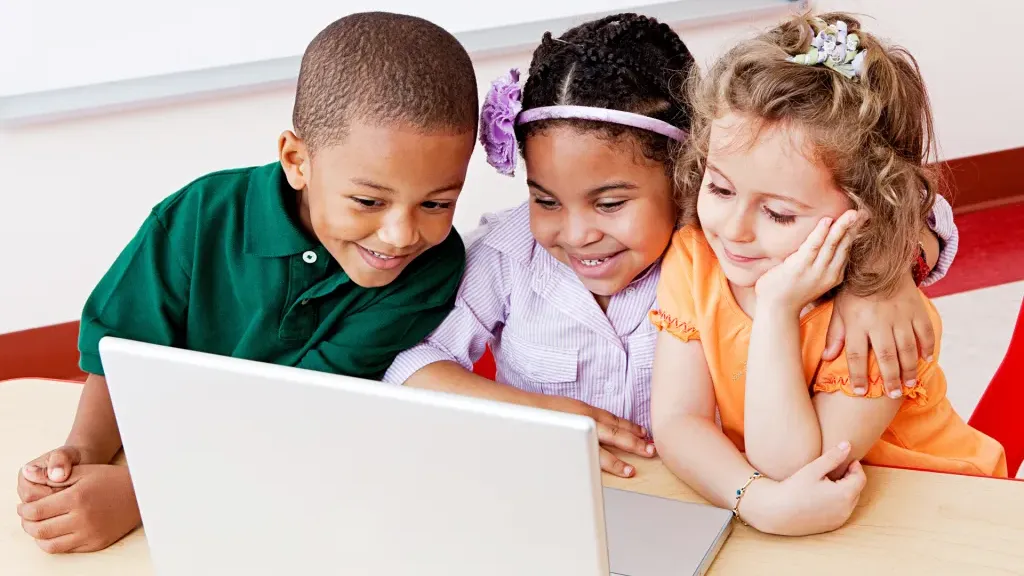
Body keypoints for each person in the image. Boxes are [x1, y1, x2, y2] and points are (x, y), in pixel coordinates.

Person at [384, 13, 960, 478]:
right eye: (546, 200)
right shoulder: (512, 253)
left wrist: (886, 276)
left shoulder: (712, 242)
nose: (578, 232)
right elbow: (409, 363)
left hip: (705, 493)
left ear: (684, 172)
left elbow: (904, 203)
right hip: (568, 488)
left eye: (610, 204)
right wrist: (549, 418)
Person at [16, 12, 478, 553]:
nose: (401, 235)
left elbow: (298, 411)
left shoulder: (431, 268)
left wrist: (143, 495)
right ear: (296, 160)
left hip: (294, 494)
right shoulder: (197, 216)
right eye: (369, 201)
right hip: (169, 448)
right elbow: (119, 350)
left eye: (438, 203)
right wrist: (83, 453)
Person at [650, 12, 1007, 537]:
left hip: (941, 510)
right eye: (720, 189)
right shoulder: (695, 257)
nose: (735, 230)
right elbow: (679, 422)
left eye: (779, 213)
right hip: (817, 522)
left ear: (866, 210)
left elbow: (794, 466)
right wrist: (755, 501)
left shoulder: (880, 323)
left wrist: (775, 310)